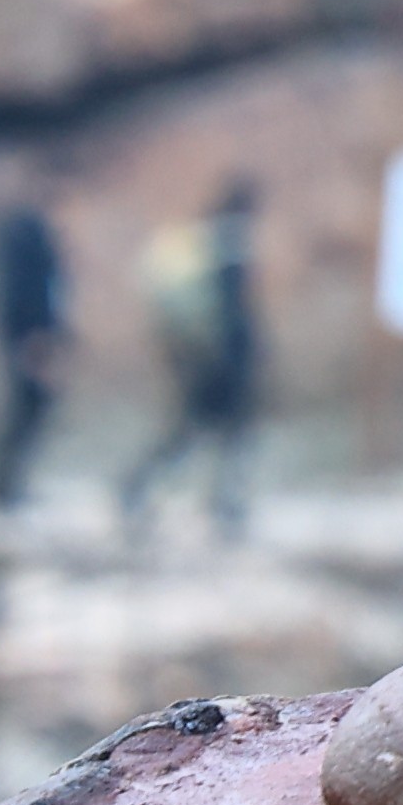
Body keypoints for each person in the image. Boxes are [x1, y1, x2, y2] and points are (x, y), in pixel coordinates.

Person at [119, 179, 264, 542]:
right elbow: (234, 314)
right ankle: (219, 502)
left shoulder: (204, 242)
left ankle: (143, 488)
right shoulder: (231, 247)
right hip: (220, 363)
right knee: (219, 434)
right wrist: (240, 359)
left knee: (193, 433)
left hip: (198, 359)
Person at [0, 203, 67, 512]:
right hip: (29, 335)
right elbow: (26, 291)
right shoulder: (27, 236)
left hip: (34, 333)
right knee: (26, 406)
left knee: (30, 406)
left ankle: (5, 483)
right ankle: (1, 484)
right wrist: (33, 334)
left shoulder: (36, 235)